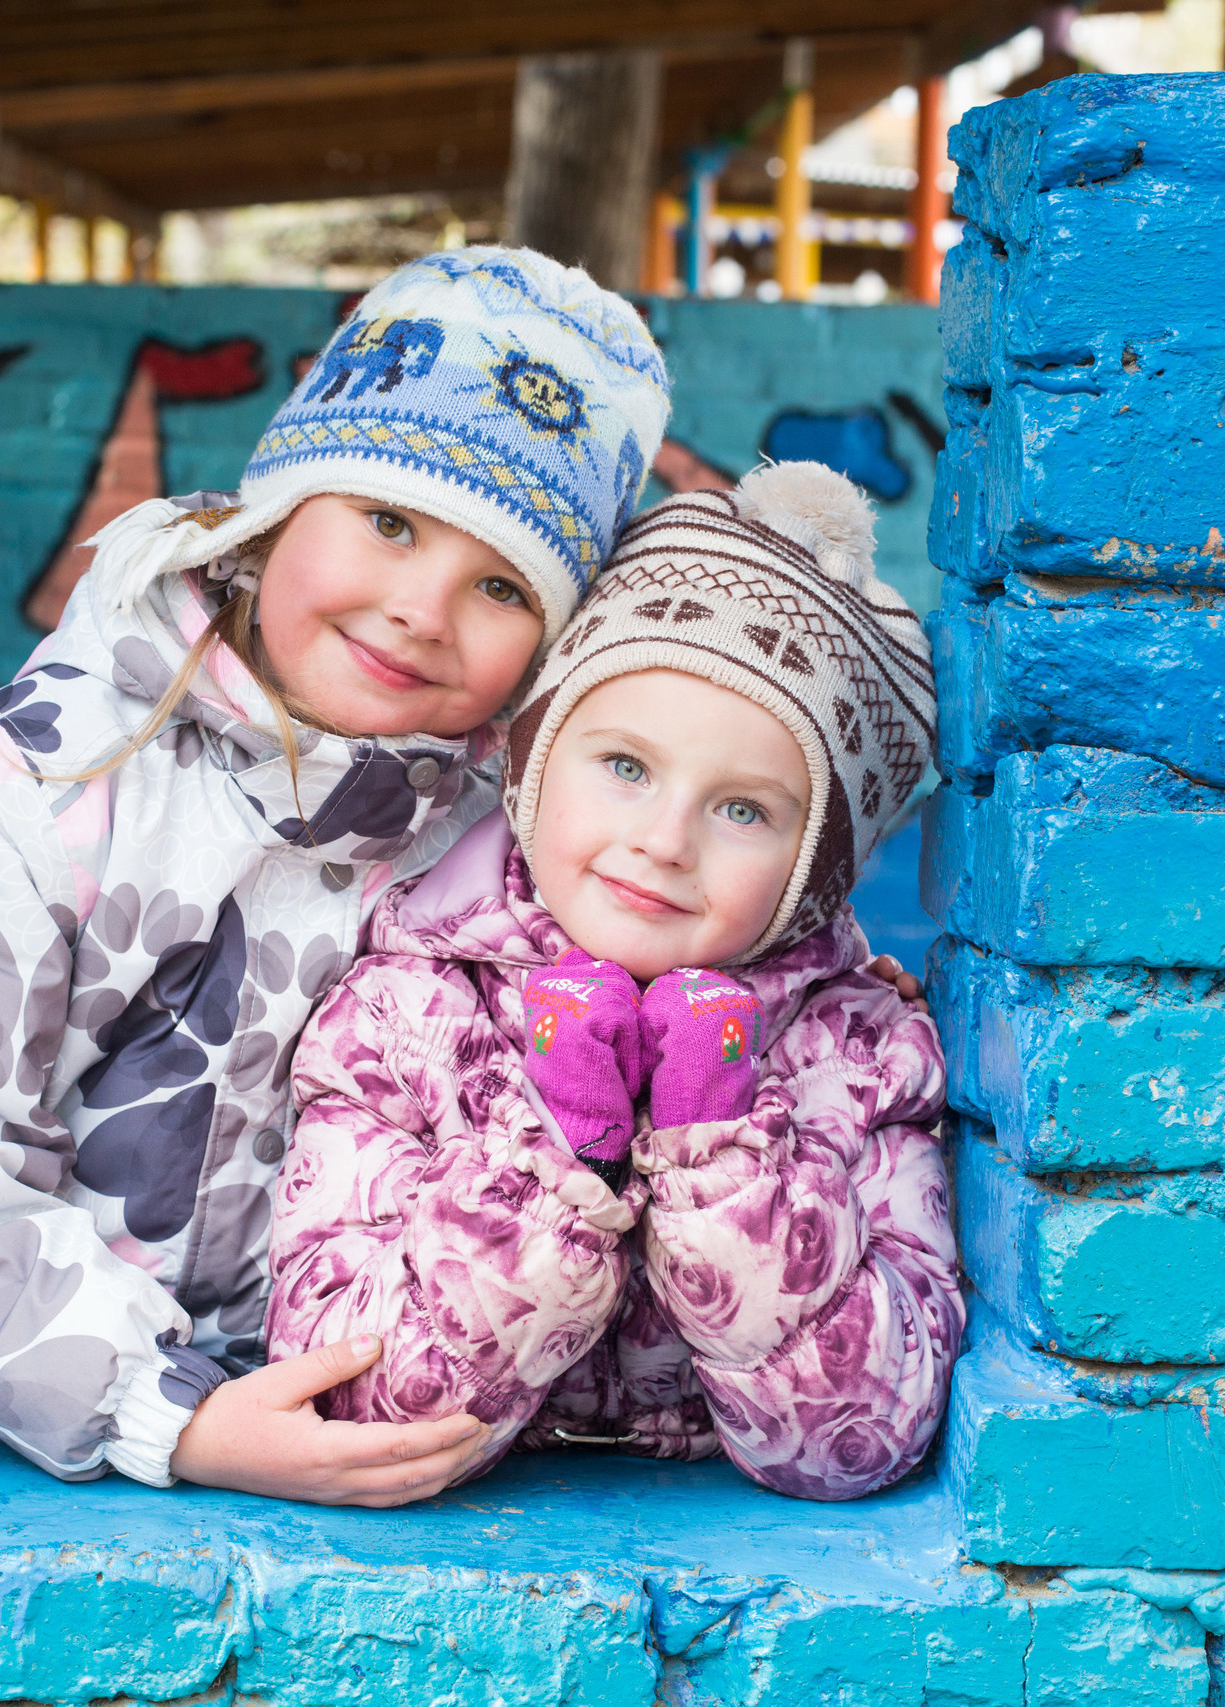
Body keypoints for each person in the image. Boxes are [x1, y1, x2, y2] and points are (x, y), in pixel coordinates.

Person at [0, 247, 673, 1506]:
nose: (419, 609)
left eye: (501, 585)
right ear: (281, 507)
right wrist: (164, 1413)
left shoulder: (494, 851)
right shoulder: (30, 784)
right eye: (388, 521)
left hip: (296, 1468)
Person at [266, 460, 962, 1501]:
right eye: (625, 767)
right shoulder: (400, 1015)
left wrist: (716, 1143)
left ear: (815, 874)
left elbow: (857, 1441)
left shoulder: (857, 1057)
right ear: (531, 763)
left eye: (744, 810)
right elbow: (350, 1404)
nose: (663, 841)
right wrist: (563, 1153)